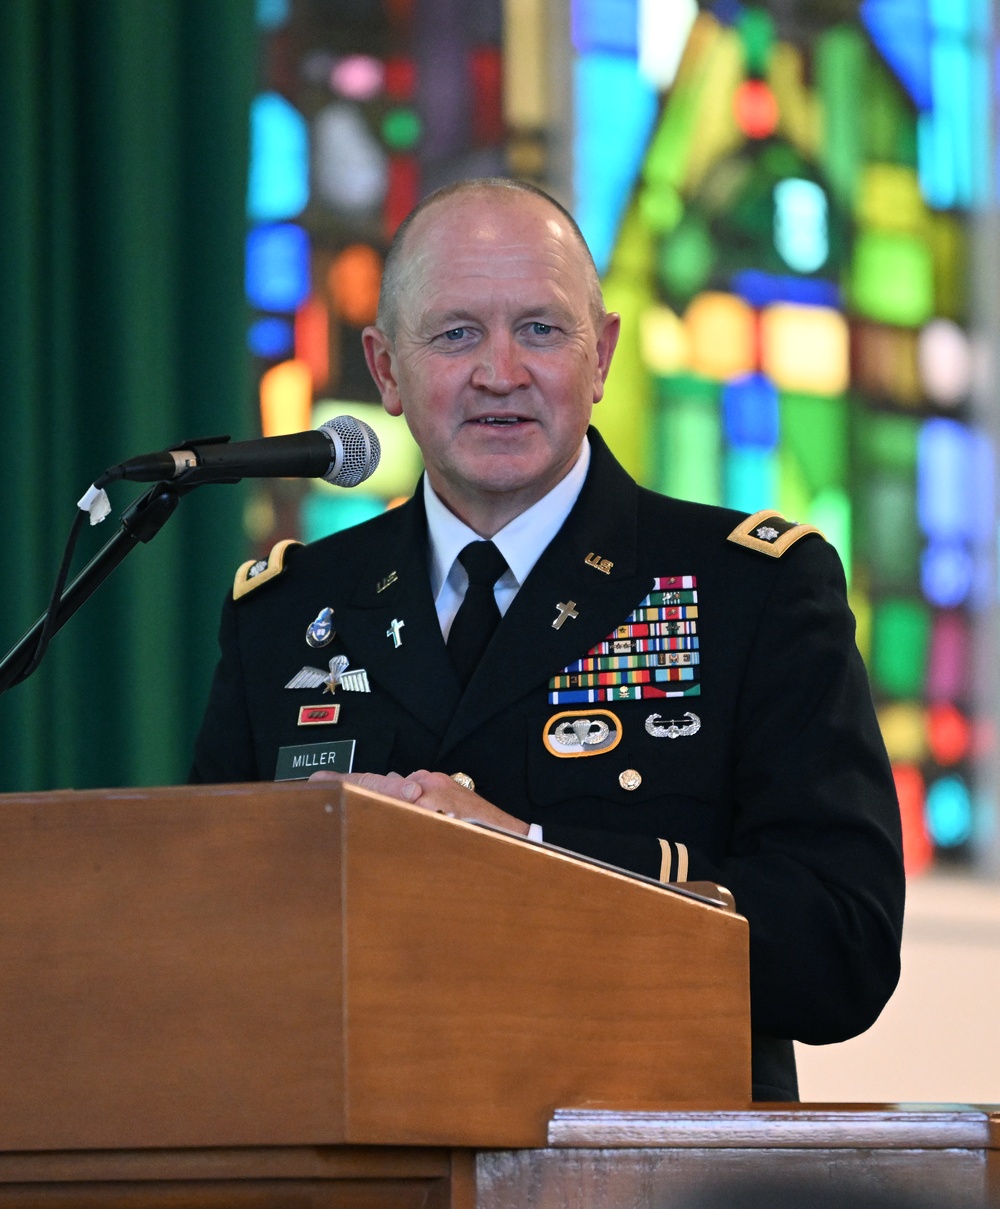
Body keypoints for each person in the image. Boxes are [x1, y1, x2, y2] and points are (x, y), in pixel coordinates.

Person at [190, 178, 905, 1100]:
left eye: (540, 329)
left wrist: (525, 851)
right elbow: (200, 936)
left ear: (600, 355)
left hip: (643, 1169)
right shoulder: (284, 613)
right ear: (385, 370)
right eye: (455, 334)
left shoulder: (748, 590)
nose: (500, 371)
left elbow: (842, 946)